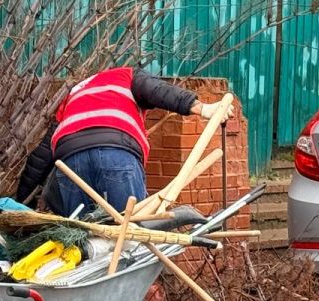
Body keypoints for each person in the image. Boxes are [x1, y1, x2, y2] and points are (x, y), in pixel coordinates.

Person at [15, 65, 233, 216]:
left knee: (78, 241)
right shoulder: (126, 75)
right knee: (130, 235)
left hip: (70, 161)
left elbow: (40, 158)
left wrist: (19, 204)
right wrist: (202, 108)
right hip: (116, 155)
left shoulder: (74, 95)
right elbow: (157, 90)